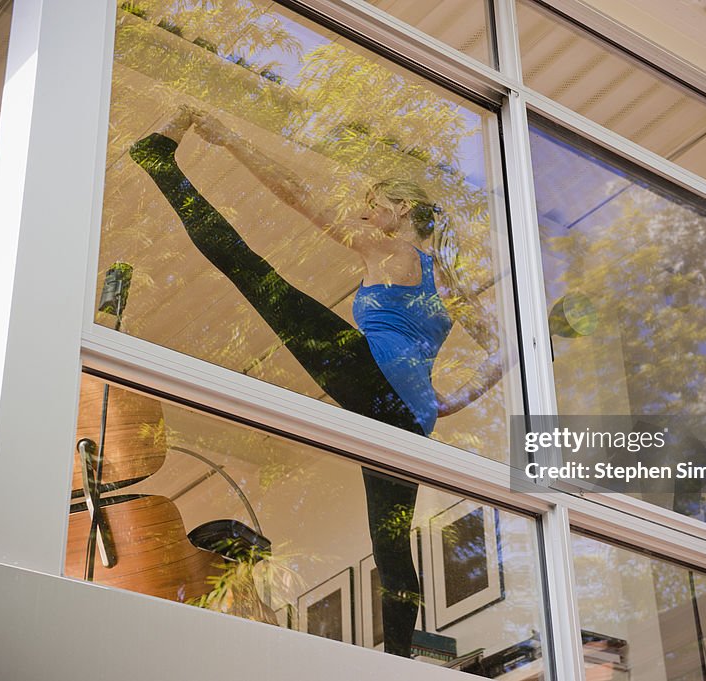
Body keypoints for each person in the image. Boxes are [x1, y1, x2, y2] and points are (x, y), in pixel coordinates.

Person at [129, 105, 503, 656]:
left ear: (402, 210)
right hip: (411, 422)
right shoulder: (446, 278)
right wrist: (451, 400)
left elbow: (298, 193)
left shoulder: (389, 249)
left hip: (371, 375)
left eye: (375, 207)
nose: (367, 215)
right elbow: (504, 350)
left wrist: (231, 138)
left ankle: (160, 163)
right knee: (393, 549)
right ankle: (399, 662)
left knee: (253, 272)